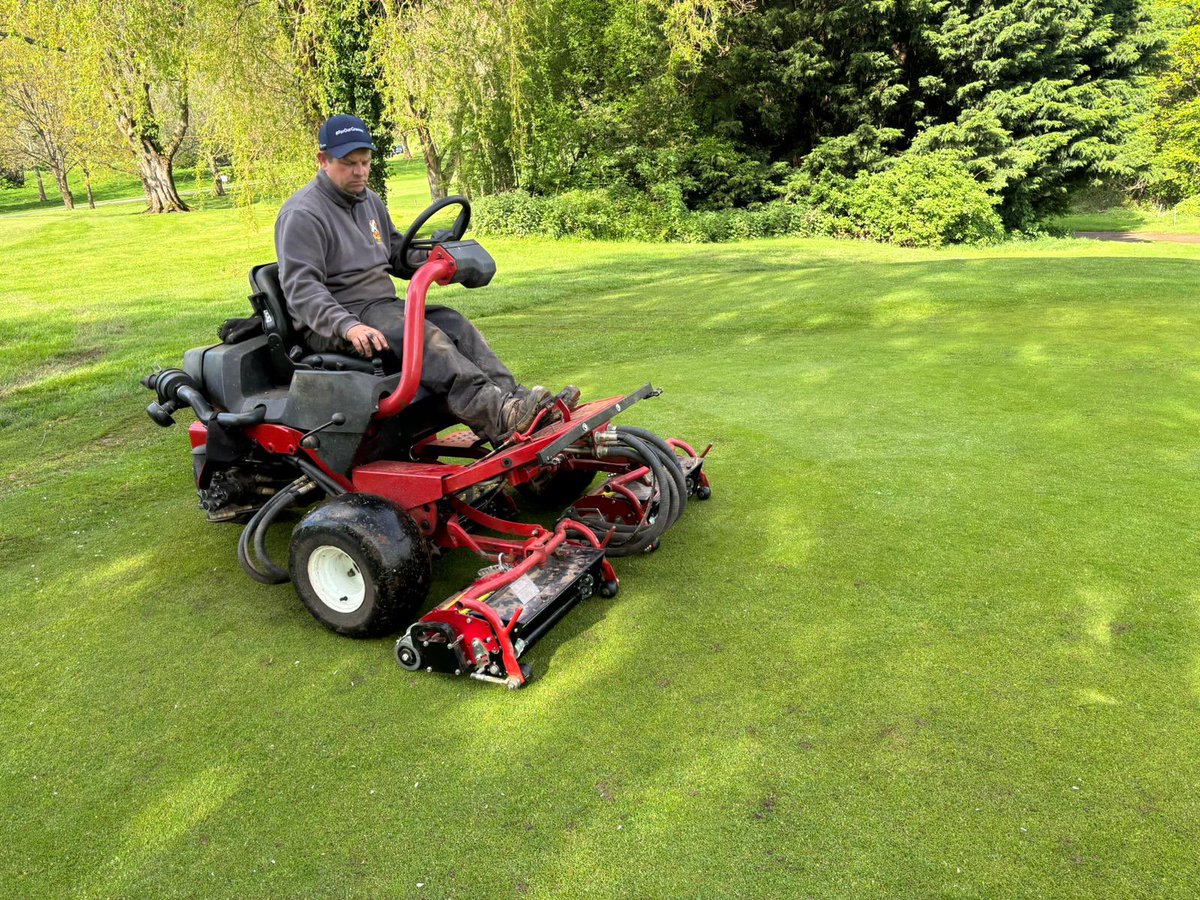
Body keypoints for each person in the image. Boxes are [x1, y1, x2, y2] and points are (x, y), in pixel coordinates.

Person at [274, 113, 574, 443]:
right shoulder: (303, 213)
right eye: (349, 163)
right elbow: (301, 289)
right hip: (336, 320)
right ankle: (499, 415)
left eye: (365, 162)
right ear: (323, 160)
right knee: (425, 337)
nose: (360, 171)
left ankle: (518, 405)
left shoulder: (368, 201)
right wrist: (348, 326)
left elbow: (394, 252)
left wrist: (436, 256)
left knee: (454, 323)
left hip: (381, 308)